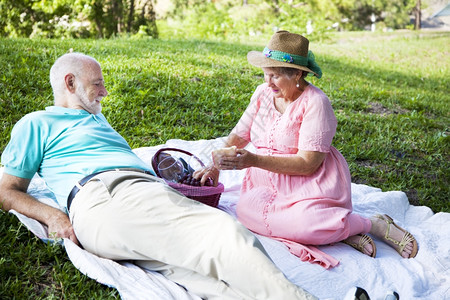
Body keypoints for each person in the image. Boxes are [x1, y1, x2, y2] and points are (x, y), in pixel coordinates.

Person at [0, 52, 317, 300]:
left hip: (130, 204)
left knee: (206, 282)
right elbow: (6, 190)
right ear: (70, 83)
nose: (105, 91)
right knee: (225, 233)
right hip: (108, 195)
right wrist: (52, 216)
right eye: (97, 83)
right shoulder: (37, 123)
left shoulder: (97, 120)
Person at [195, 30, 418, 268]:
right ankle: (341, 231)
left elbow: (307, 164)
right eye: (266, 75)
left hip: (308, 183)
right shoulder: (263, 93)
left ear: (297, 75)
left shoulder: (315, 103)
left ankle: (373, 224)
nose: (267, 83)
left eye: (276, 77)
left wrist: (253, 160)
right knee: (246, 215)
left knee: (305, 225)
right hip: (265, 183)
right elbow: (240, 134)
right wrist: (215, 165)